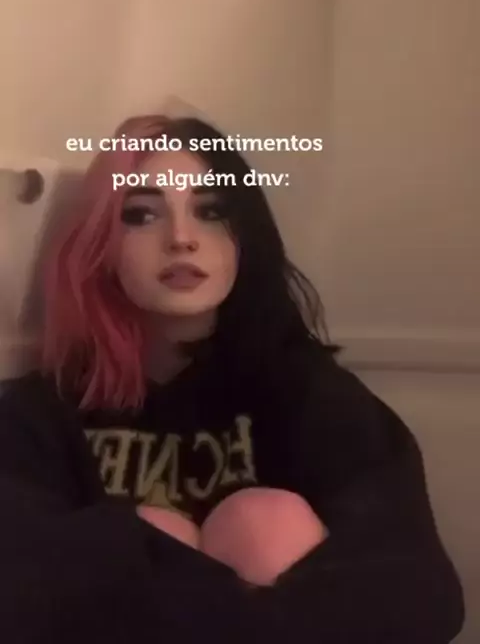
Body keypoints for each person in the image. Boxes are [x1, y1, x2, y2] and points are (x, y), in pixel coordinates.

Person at [0, 114, 464, 644]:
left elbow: (419, 590)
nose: (181, 239)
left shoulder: (306, 394)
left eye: (211, 211)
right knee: (148, 532)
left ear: (244, 236)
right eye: (141, 214)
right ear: (99, 245)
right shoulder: (45, 411)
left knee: (264, 521)